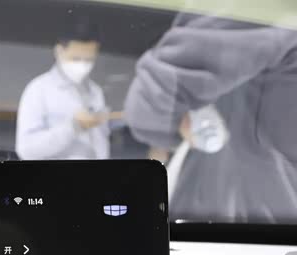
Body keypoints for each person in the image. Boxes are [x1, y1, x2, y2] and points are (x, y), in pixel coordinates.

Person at [124, 13, 297, 223]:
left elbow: (152, 99)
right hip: (238, 219)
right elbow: (154, 96)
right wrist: (192, 120)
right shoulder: (271, 17)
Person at [15, 19, 110, 160]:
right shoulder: (38, 90)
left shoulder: (96, 92)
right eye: (76, 58)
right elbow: (26, 150)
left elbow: (101, 146)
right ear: (59, 51)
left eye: (89, 60)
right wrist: (73, 127)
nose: (83, 65)